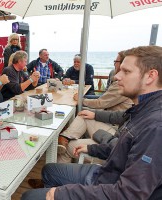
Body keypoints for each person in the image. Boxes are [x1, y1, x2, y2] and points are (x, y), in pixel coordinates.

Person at [22, 45, 162, 200]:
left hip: (109, 186)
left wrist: (63, 193)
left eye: (126, 71)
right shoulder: (143, 109)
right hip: (105, 174)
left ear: (150, 76)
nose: (117, 76)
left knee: (29, 197)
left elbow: (128, 194)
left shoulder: (155, 126)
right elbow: (124, 147)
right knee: (48, 170)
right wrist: (92, 148)